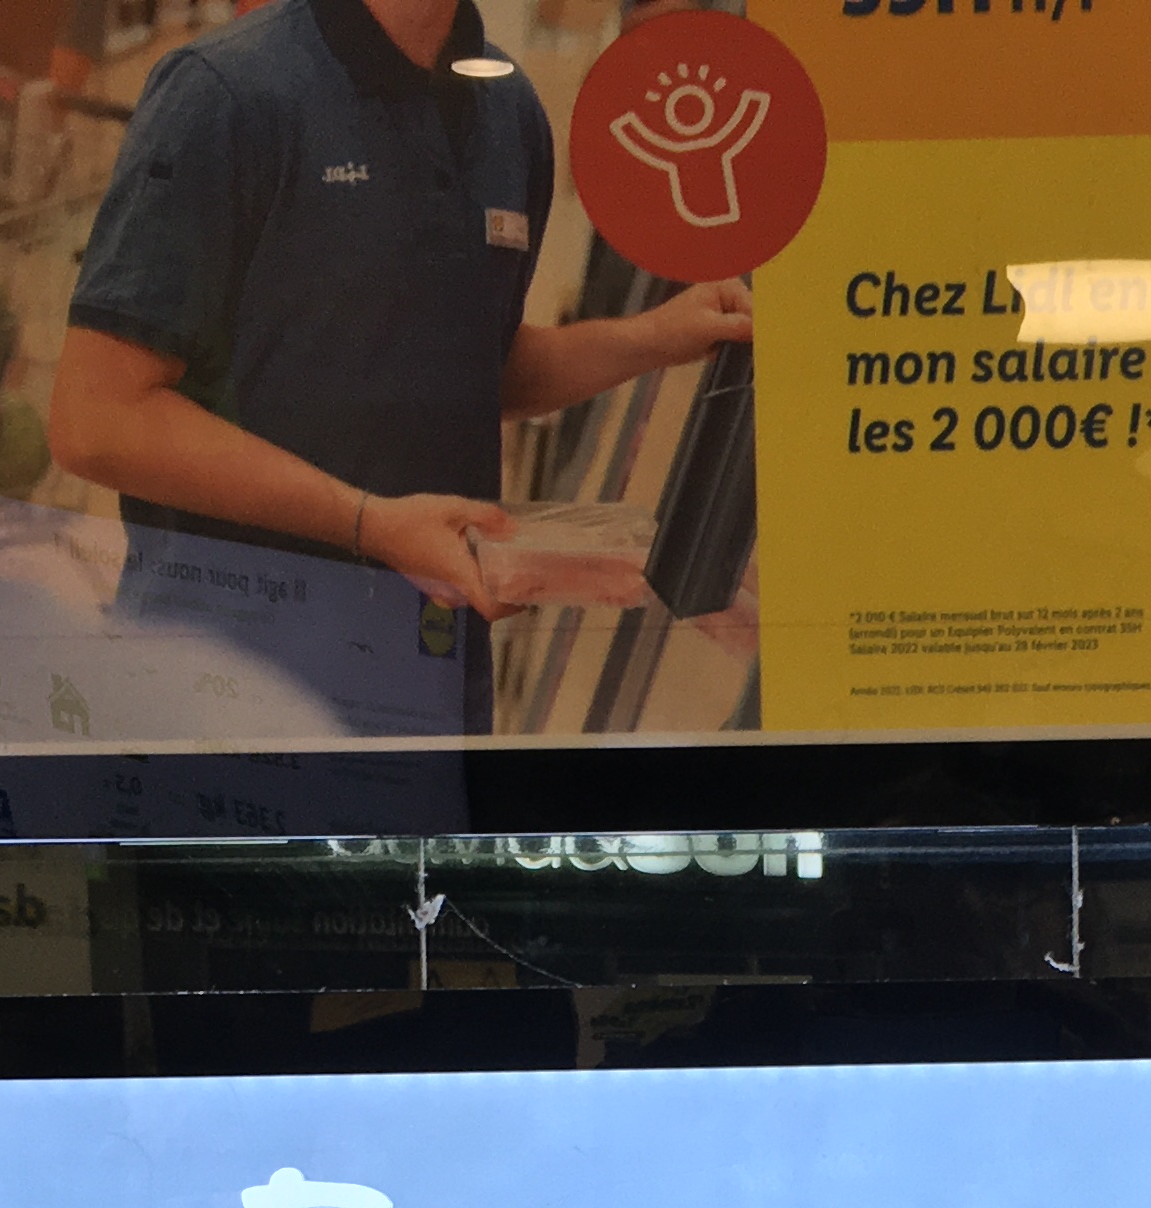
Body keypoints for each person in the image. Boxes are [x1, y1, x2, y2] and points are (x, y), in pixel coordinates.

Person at [45, 0, 749, 718]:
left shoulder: (509, 111)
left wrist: (656, 337)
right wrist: (371, 523)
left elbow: (475, 366)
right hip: (228, 687)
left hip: (431, 685)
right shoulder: (227, 93)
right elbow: (97, 418)